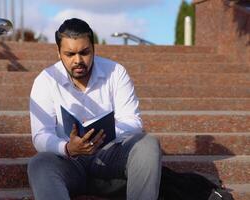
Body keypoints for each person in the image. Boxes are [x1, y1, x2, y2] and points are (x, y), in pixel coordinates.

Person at [28, 18, 162, 200]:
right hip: (69, 161)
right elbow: (40, 135)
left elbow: (133, 121)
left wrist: (101, 135)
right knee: (39, 163)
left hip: (110, 155)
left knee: (147, 144)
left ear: (93, 48)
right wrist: (67, 148)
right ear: (58, 53)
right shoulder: (45, 80)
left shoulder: (116, 72)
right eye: (70, 54)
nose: (78, 60)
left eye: (84, 52)